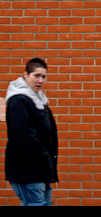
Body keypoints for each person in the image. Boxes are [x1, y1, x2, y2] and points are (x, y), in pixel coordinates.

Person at [5, 58, 58, 206]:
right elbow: (23, 137)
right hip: (28, 172)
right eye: (36, 75)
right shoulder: (19, 100)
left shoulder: (39, 99)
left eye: (43, 76)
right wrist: (42, 158)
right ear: (25, 75)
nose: (40, 80)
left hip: (40, 171)